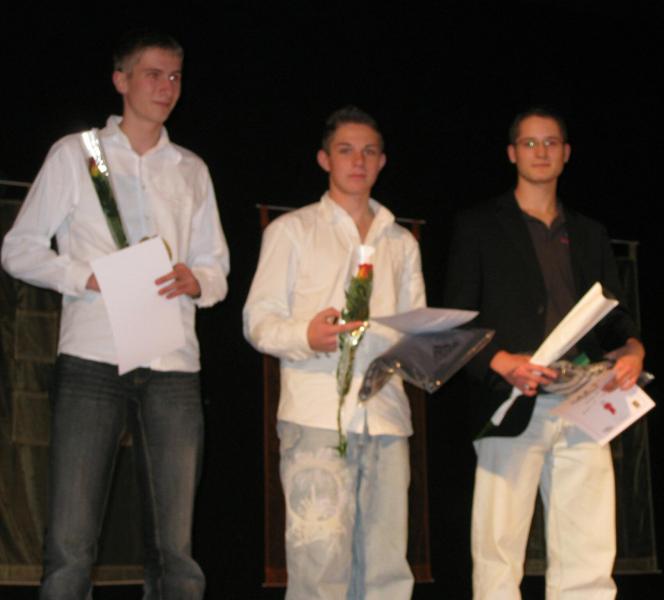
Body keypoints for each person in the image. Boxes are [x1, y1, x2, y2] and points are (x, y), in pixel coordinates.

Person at [1, 30, 229, 598]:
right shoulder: (77, 154)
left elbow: (217, 269)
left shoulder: (191, 168)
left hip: (173, 365)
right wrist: (87, 275)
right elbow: (18, 249)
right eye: (153, 74)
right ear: (121, 80)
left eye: (175, 76)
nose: (166, 87)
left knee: (176, 550)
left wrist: (198, 280)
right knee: (71, 544)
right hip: (93, 358)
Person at [444, 106, 645, 600]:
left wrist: (634, 348)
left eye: (550, 142)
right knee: (498, 550)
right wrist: (499, 363)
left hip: (584, 397)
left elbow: (614, 315)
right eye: (530, 143)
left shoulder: (590, 232)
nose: (541, 151)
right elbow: (456, 318)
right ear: (512, 153)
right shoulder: (478, 225)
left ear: (566, 153)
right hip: (511, 396)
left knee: (589, 550)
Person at [243, 106, 425, 599]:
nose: (358, 161)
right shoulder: (292, 231)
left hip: (386, 417)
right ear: (325, 159)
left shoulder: (400, 242)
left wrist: (431, 349)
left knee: (387, 568)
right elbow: (257, 320)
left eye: (369, 151)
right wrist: (306, 335)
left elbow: (415, 324)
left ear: (382, 161)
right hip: (316, 416)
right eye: (346, 150)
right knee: (319, 566)